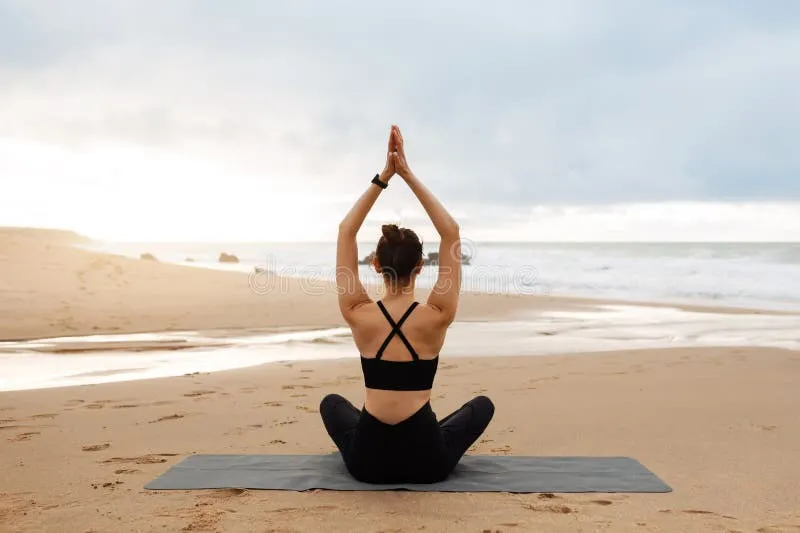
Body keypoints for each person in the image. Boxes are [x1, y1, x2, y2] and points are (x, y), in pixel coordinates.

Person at [319, 124, 494, 484]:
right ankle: (433, 428)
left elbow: (345, 232)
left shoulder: (357, 313)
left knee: (332, 404)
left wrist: (384, 176)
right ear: (420, 266)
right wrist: (408, 174)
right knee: (481, 407)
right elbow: (451, 232)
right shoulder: (438, 316)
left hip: (367, 463)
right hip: (427, 462)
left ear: (376, 265)